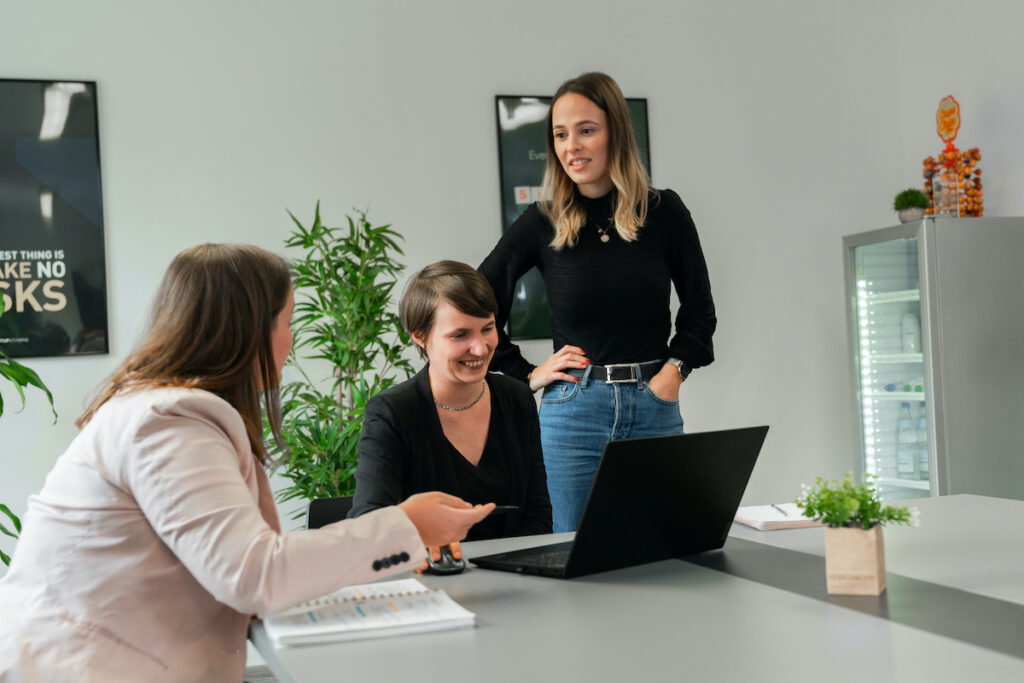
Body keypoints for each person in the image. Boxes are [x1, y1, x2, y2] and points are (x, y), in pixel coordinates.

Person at [0, 244, 493, 682]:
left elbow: (242, 558)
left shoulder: (168, 409)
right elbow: (255, 574)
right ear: (248, 330)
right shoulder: (168, 421)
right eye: (287, 324)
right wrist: (407, 524)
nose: (292, 343)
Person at [479, 72, 716, 533]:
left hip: (654, 404)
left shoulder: (664, 212)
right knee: (574, 553)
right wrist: (525, 373)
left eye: (586, 130)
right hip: (573, 412)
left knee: (659, 551)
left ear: (616, 134)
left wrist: (675, 372)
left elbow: (699, 313)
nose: (572, 146)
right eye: (561, 135)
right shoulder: (542, 221)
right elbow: (475, 301)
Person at [349, 260, 552, 568]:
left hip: (513, 579)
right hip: (428, 580)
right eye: (460, 335)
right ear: (420, 336)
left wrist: (499, 570)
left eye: (488, 329)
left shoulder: (516, 397)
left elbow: (538, 516)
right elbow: (369, 522)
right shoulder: (392, 412)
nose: (481, 349)